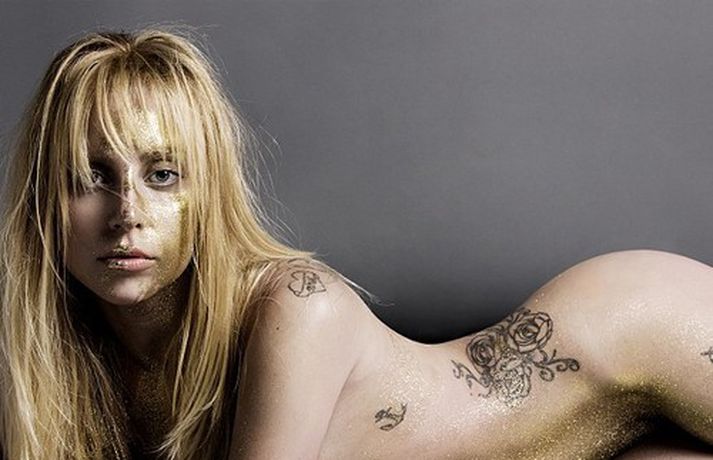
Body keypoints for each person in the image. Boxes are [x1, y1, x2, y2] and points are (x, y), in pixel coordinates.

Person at [1, 28, 712, 460]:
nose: (127, 214)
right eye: (89, 177)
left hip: (634, 327)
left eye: (163, 175)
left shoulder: (295, 306)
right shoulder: (65, 362)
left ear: (207, 191)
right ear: (42, 199)